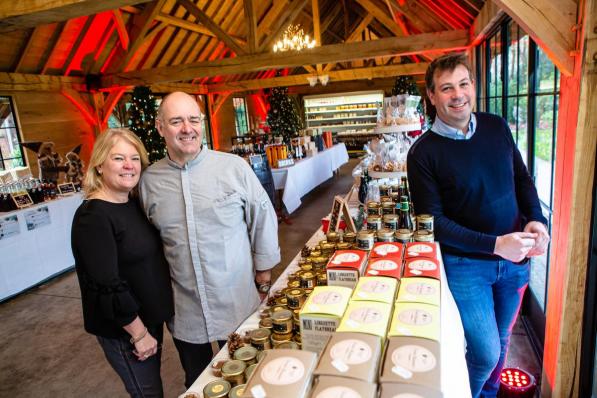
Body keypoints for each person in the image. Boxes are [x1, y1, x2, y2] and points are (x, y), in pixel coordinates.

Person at [406, 53, 550, 398]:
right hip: (466, 267)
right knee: (484, 352)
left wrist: (536, 218)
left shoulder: (496, 126)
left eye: (463, 84)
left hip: (515, 263)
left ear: (473, 86)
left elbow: (521, 177)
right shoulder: (422, 153)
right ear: (432, 96)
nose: (458, 94)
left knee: (500, 344)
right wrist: (495, 244)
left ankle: (487, 395)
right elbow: (434, 224)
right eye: (446, 88)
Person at [139, 92, 280, 388]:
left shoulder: (233, 168)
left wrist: (264, 276)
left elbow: (263, 218)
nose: (186, 128)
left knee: (250, 375)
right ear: (160, 127)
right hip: (184, 311)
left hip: (236, 301)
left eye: (193, 119)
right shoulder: (149, 182)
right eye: (176, 121)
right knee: (200, 383)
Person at [71, 128, 174, 397]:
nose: (129, 165)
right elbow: (105, 283)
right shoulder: (93, 217)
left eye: (135, 158)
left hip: (148, 320)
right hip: (126, 330)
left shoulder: (131, 203)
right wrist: (139, 334)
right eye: (118, 158)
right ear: (99, 165)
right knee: (148, 394)